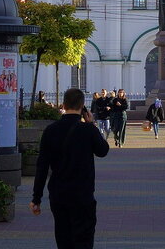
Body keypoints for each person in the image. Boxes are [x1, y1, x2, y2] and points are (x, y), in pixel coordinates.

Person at [31, 87, 110, 249]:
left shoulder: (51, 130)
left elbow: (42, 166)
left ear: (64, 105)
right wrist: (92, 124)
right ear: (82, 106)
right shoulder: (88, 130)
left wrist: (36, 198)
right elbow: (103, 151)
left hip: (59, 194)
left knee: (63, 238)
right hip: (82, 194)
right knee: (83, 239)